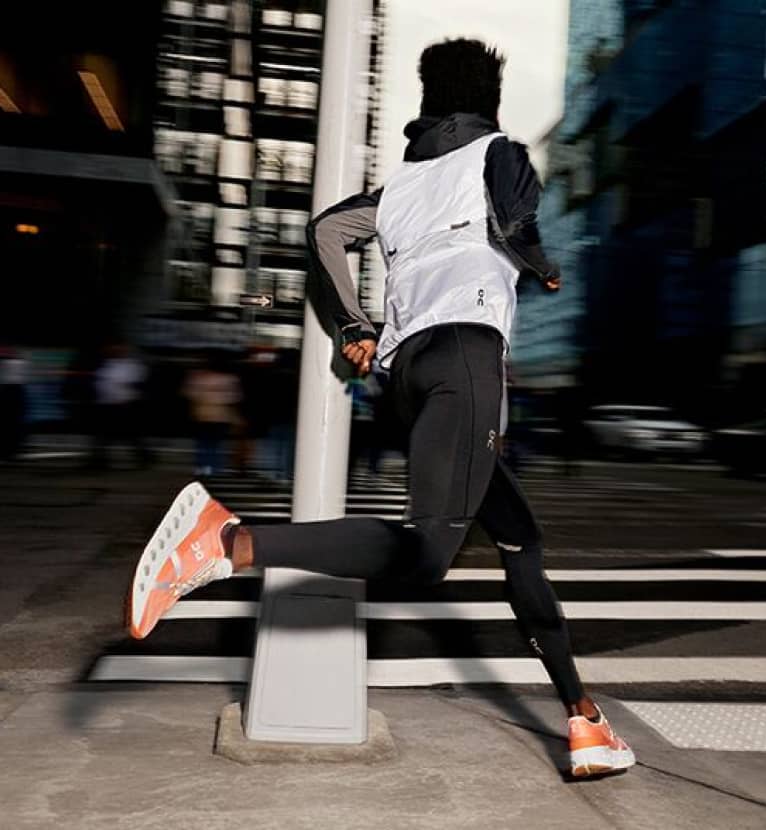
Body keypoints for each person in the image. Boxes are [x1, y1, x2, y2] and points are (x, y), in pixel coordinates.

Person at [126, 38, 634, 778]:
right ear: (486, 101)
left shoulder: (399, 187)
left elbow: (326, 231)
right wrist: (545, 268)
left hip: (410, 373)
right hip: (465, 355)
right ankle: (228, 542)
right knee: (426, 553)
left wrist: (354, 326)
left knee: (520, 539)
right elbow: (517, 220)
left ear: (429, 106)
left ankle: (584, 720)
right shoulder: (499, 152)